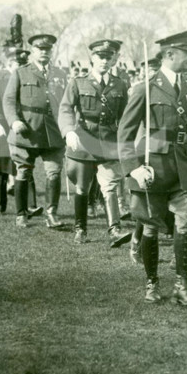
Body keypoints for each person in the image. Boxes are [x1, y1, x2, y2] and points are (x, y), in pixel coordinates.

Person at [117, 31, 187, 305]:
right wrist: (133, 168)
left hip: (185, 168)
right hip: (152, 167)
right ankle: (152, 282)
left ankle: (182, 285)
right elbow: (125, 131)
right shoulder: (145, 87)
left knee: (186, 224)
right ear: (170, 55)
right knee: (150, 227)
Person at [58, 39, 130, 245]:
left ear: (113, 59)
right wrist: (68, 131)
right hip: (82, 140)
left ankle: (115, 230)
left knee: (110, 185)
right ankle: (80, 229)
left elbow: (125, 116)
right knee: (82, 187)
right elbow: (65, 109)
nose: (104, 61)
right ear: (92, 58)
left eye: (108, 57)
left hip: (108, 141)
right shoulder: (78, 82)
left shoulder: (120, 84)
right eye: (100, 57)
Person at [3, 32, 69, 229]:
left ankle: (51, 213)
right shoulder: (21, 72)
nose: (44, 52)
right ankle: (21, 213)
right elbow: (8, 100)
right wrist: (14, 121)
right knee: (23, 172)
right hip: (27, 131)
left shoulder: (60, 74)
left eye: (47, 49)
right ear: (32, 51)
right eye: (40, 49)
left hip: (53, 132)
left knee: (54, 173)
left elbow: (67, 103)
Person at [0, 18, 25, 216]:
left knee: (24, 169)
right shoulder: (0, 77)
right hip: (2, 126)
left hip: (22, 127)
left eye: (19, 58)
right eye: (12, 58)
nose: (15, 61)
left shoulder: (28, 77)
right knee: (0, 171)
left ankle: (27, 207)